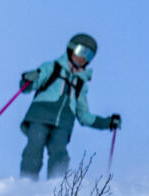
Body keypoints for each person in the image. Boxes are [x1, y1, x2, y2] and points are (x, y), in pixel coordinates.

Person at [17, 33, 121, 180]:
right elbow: (29, 85)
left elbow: (84, 116)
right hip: (40, 116)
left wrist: (108, 123)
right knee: (35, 146)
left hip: (64, 123)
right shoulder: (52, 67)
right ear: (71, 49)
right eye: (81, 51)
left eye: (89, 56)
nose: (83, 58)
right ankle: (26, 181)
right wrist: (28, 79)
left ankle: (57, 184)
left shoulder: (80, 83)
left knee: (59, 151)